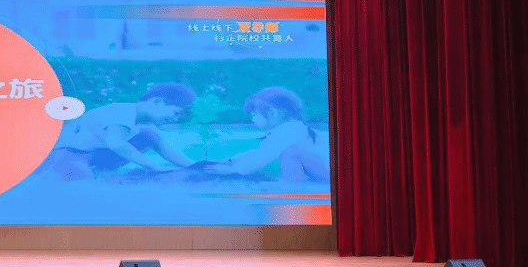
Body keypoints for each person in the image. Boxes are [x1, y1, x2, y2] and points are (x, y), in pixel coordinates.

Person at [48, 83, 197, 180]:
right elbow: (116, 144)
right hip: (67, 153)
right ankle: (88, 173)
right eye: (175, 113)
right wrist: (154, 167)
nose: (175, 119)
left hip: (95, 154)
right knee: (82, 179)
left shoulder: (145, 123)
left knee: (149, 136)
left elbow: (167, 151)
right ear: (158, 102)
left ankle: (100, 172)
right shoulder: (123, 111)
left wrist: (195, 166)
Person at [207, 87, 329, 183]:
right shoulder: (293, 128)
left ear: (272, 113)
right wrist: (232, 161)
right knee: (290, 153)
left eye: (254, 114)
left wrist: (232, 169)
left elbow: (261, 158)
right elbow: (259, 152)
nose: (252, 119)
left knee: (291, 152)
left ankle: (292, 187)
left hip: (327, 175)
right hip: (324, 172)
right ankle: (292, 185)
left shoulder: (289, 131)